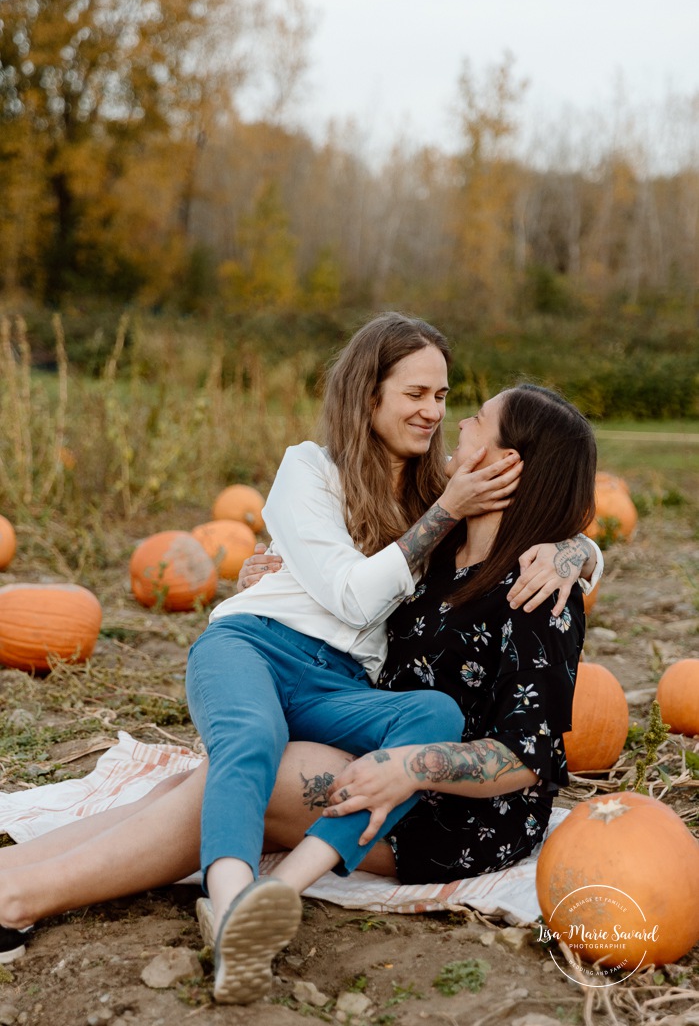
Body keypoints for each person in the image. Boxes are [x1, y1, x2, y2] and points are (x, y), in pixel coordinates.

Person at [0, 314, 600, 1000]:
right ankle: (16, 883)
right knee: (202, 780)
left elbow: (527, 756)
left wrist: (572, 549)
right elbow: (354, 583)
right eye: (427, 397)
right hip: (371, 738)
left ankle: (33, 898)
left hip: (452, 813)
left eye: (471, 417)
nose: (449, 419)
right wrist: (282, 580)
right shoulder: (437, 541)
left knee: (239, 778)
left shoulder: (538, 589)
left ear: (506, 464)